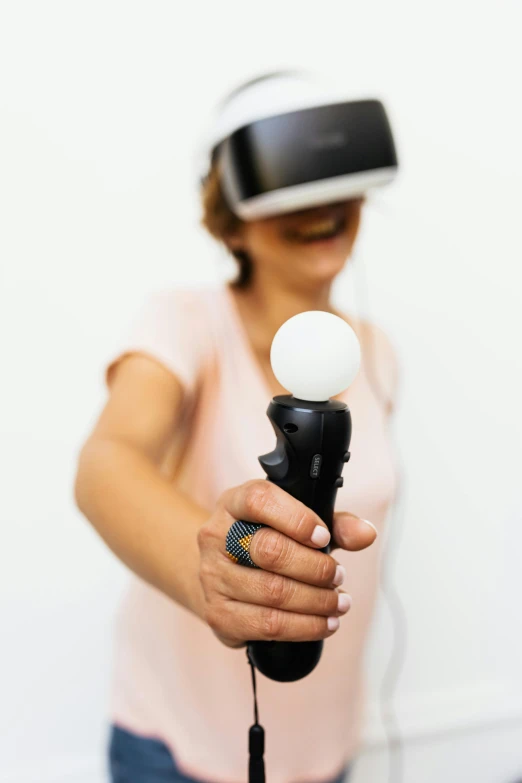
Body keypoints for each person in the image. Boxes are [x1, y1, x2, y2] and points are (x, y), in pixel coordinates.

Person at [74, 74, 398, 783]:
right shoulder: (184, 323)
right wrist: (212, 569)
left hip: (325, 740)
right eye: (297, 188)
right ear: (231, 216)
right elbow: (108, 462)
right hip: (176, 745)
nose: (323, 208)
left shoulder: (373, 352)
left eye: (337, 187)